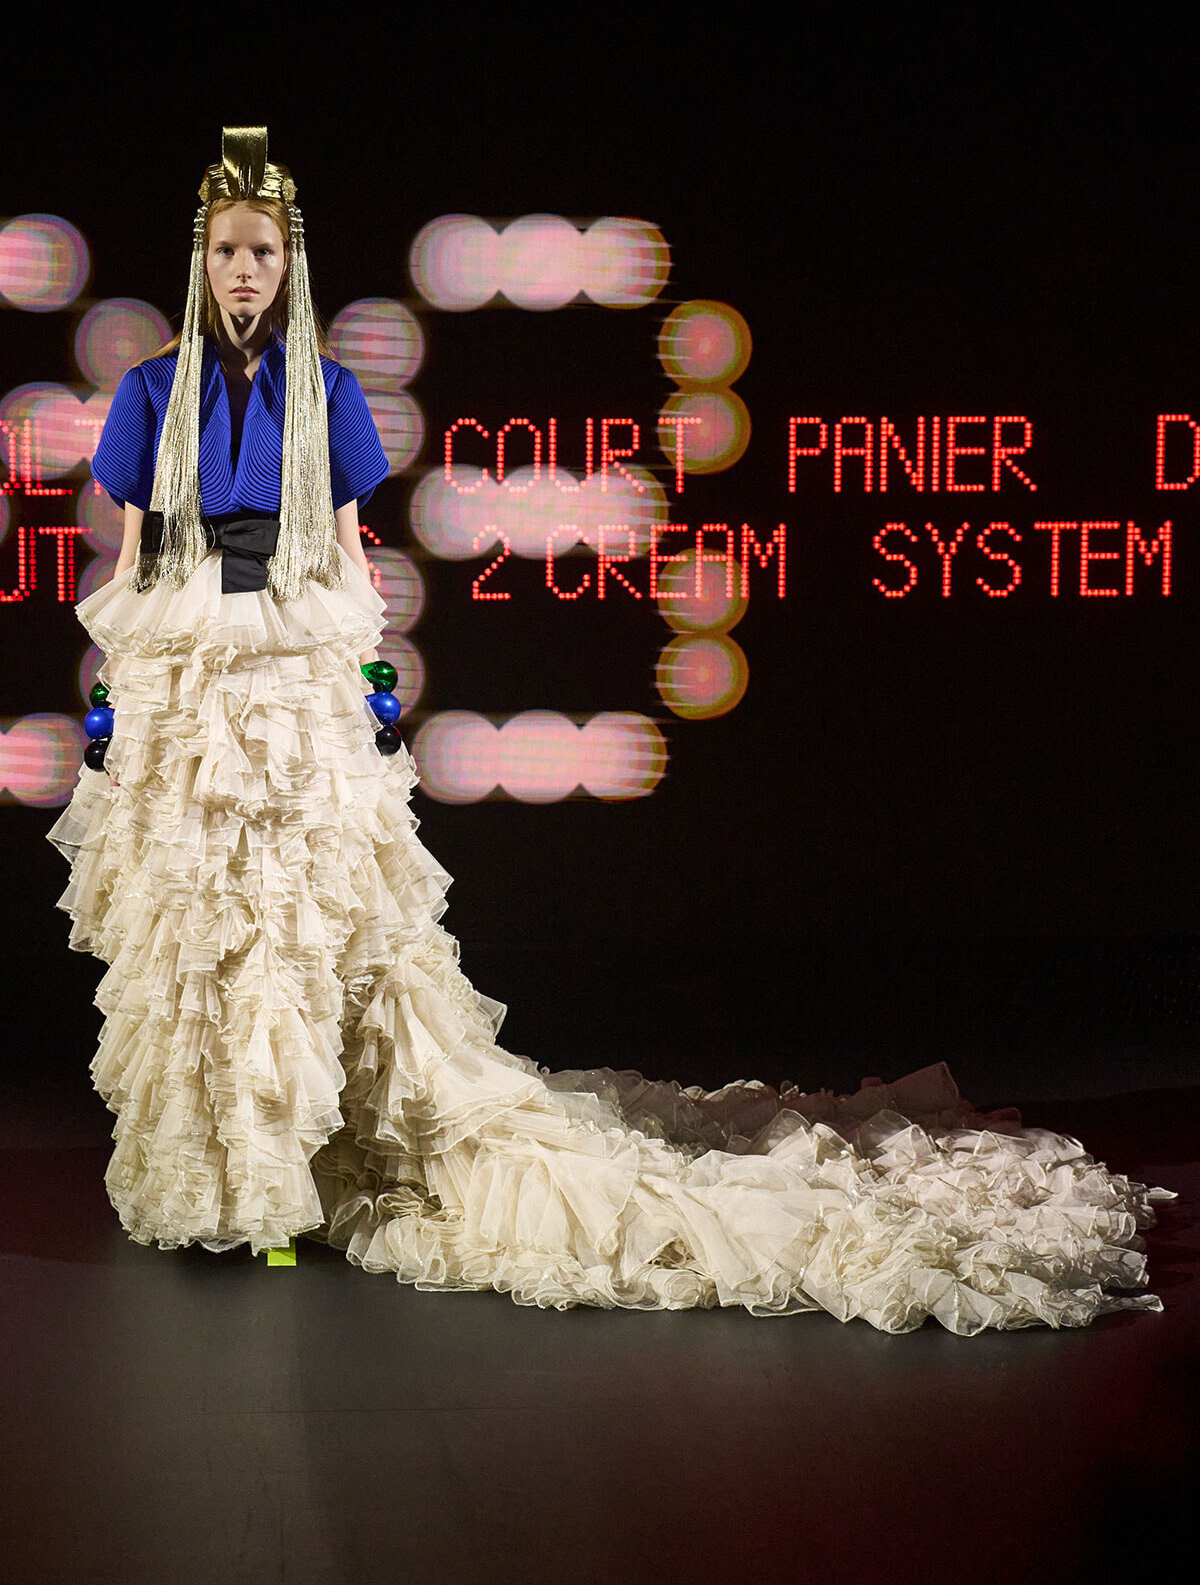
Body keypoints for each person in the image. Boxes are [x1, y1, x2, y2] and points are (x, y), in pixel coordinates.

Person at [47, 128, 1172, 1334]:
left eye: (263, 249)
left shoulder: (325, 390)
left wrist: (361, 680)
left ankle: (281, 1190)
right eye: (226, 250)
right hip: (197, 669)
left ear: (290, 258)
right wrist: (121, 691)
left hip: (289, 668)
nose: (244, 270)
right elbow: (130, 545)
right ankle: (209, 1182)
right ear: (201, 258)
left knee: (296, 931)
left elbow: (349, 543)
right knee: (203, 933)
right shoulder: (152, 390)